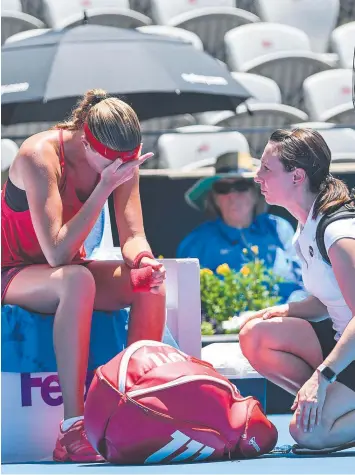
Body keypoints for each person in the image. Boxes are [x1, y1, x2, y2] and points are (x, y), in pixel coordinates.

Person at [1, 89, 167, 462]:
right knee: (78, 281)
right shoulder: (38, 155)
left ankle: (137, 406)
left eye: (128, 163)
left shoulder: (119, 157)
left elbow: (133, 234)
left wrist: (142, 260)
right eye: (110, 163)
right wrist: (105, 186)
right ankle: (72, 427)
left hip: (61, 270)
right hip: (10, 270)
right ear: (84, 139)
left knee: (151, 283)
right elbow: (56, 252)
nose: (120, 169)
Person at [239, 128, 355, 454]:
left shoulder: (338, 234)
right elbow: (328, 299)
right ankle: (318, 404)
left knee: (309, 434)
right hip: (344, 346)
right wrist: (287, 311)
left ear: (297, 176)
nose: (257, 175)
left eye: (266, 169)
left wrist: (322, 377)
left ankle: (321, 409)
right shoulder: (305, 226)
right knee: (256, 334)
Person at [177, 151, 304, 304]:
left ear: (256, 193)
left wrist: (286, 313)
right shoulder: (196, 242)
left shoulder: (280, 229)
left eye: (241, 186)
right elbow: (183, 299)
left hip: (283, 322)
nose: (232, 195)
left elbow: (306, 284)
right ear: (214, 198)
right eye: (223, 188)